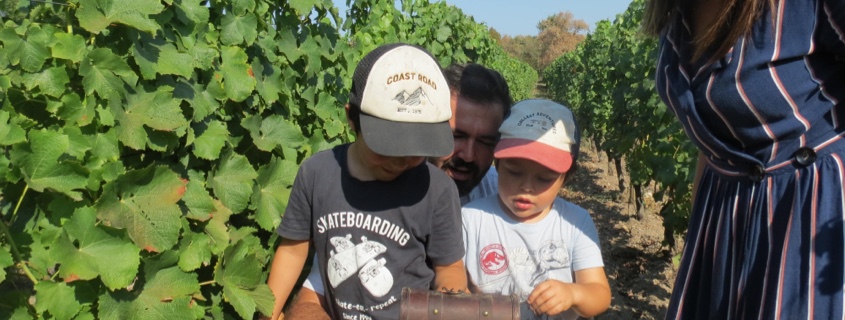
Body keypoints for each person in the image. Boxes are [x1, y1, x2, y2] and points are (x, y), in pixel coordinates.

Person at [643, 0, 845, 318]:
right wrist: (700, 242)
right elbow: (712, 143)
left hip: (808, 213)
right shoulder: (678, 13)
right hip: (720, 219)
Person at [282, 62, 513, 319]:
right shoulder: (367, 179)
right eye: (456, 136)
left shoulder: (509, 202)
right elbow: (317, 292)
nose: (468, 155)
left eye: (485, 142)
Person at [462, 99, 611, 320]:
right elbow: (454, 282)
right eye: (514, 172)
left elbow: (600, 295)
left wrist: (573, 293)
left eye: (544, 178)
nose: (527, 187)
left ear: (566, 178)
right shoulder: (471, 218)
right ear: (497, 164)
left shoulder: (576, 222)